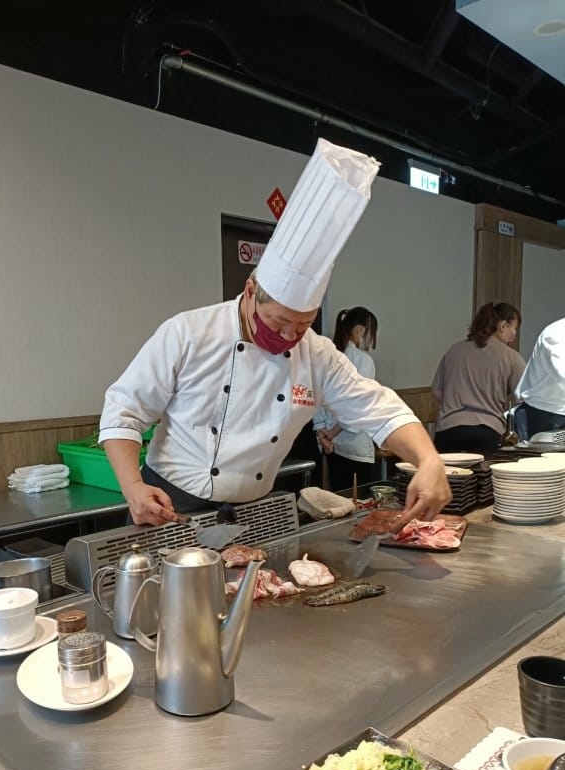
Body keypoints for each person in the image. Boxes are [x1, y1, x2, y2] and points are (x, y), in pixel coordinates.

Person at [99, 139, 451, 526]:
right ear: (250, 292)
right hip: (170, 505)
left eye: (303, 324)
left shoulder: (317, 355)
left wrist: (429, 460)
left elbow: (378, 410)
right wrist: (132, 487)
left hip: (254, 511)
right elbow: (124, 410)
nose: (289, 336)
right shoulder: (189, 333)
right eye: (279, 322)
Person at [431, 302, 525, 454]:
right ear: (503, 326)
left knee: (448, 477)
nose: (514, 334)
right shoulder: (511, 357)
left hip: (448, 431)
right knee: (483, 477)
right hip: (487, 432)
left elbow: (437, 391)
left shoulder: (454, 350)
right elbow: (524, 395)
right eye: (514, 328)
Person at [313, 307, 379, 491]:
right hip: (354, 447)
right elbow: (357, 406)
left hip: (332, 447)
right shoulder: (363, 360)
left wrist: (322, 434)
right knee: (361, 506)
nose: (370, 339)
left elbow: (315, 399)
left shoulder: (326, 357)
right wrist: (331, 434)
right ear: (359, 330)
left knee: (339, 502)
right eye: (370, 333)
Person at [514, 317, 565, 438]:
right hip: (542, 414)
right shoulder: (556, 332)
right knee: (534, 457)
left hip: (555, 412)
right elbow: (561, 373)